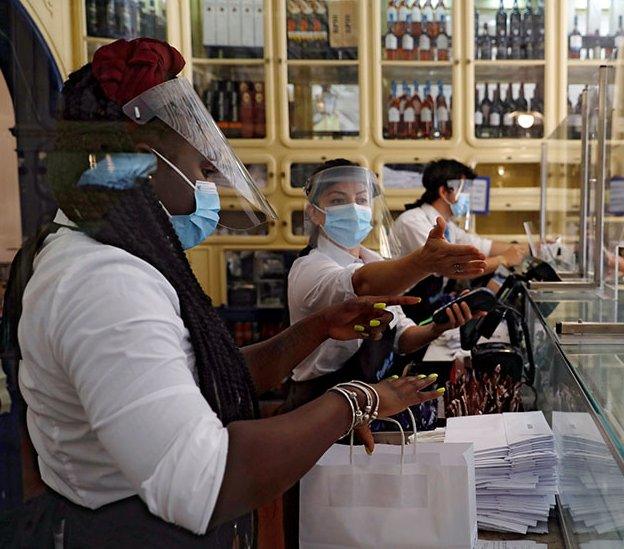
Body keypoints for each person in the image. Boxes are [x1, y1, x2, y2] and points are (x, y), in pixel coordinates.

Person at [0, 39, 439, 546]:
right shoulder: (105, 283)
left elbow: (204, 376)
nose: (208, 179)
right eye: (202, 167)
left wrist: (315, 329)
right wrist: (357, 400)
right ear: (144, 162)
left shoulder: (110, 255)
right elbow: (204, 483)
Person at [284, 158, 488, 410]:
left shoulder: (373, 260)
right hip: (317, 406)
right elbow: (363, 284)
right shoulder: (310, 268)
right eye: (337, 200)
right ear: (313, 212)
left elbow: (401, 337)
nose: (353, 208)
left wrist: (438, 327)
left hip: (369, 400)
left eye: (361, 199)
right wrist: (424, 263)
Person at [391, 159, 527, 319]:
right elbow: (452, 267)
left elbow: (484, 246)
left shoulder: (449, 227)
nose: (469, 196)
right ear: (444, 192)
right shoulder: (413, 222)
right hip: (405, 311)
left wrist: (534, 247)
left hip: (428, 304)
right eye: (465, 189)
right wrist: (503, 259)